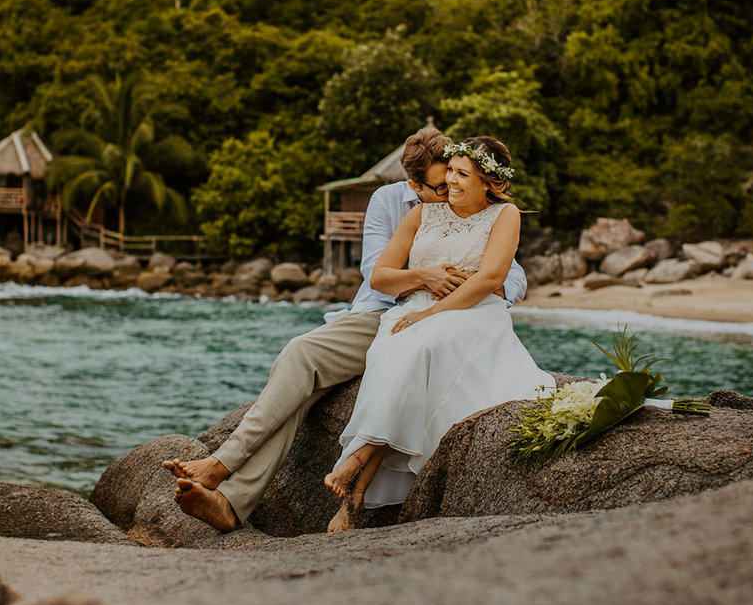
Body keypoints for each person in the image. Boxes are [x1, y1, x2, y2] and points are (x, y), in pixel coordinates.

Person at [163, 127, 529, 532]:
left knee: (317, 383)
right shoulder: (391, 202)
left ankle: (226, 485)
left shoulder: (489, 211)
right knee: (300, 357)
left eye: (457, 177)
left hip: (446, 320)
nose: (449, 191)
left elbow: (509, 276)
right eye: (440, 185)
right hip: (382, 311)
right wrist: (424, 276)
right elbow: (377, 273)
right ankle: (226, 485)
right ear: (415, 184)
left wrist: (475, 286)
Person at [323, 136, 555, 532]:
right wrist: (421, 291)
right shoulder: (421, 215)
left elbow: (491, 279)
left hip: (474, 313)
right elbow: (380, 276)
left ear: (487, 181)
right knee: (393, 353)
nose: (451, 181)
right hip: (415, 309)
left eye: (462, 173)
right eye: (450, 171)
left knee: (423, 347)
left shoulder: (506, 216)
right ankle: (355, 497)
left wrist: (431, 312)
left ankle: (357, 460)